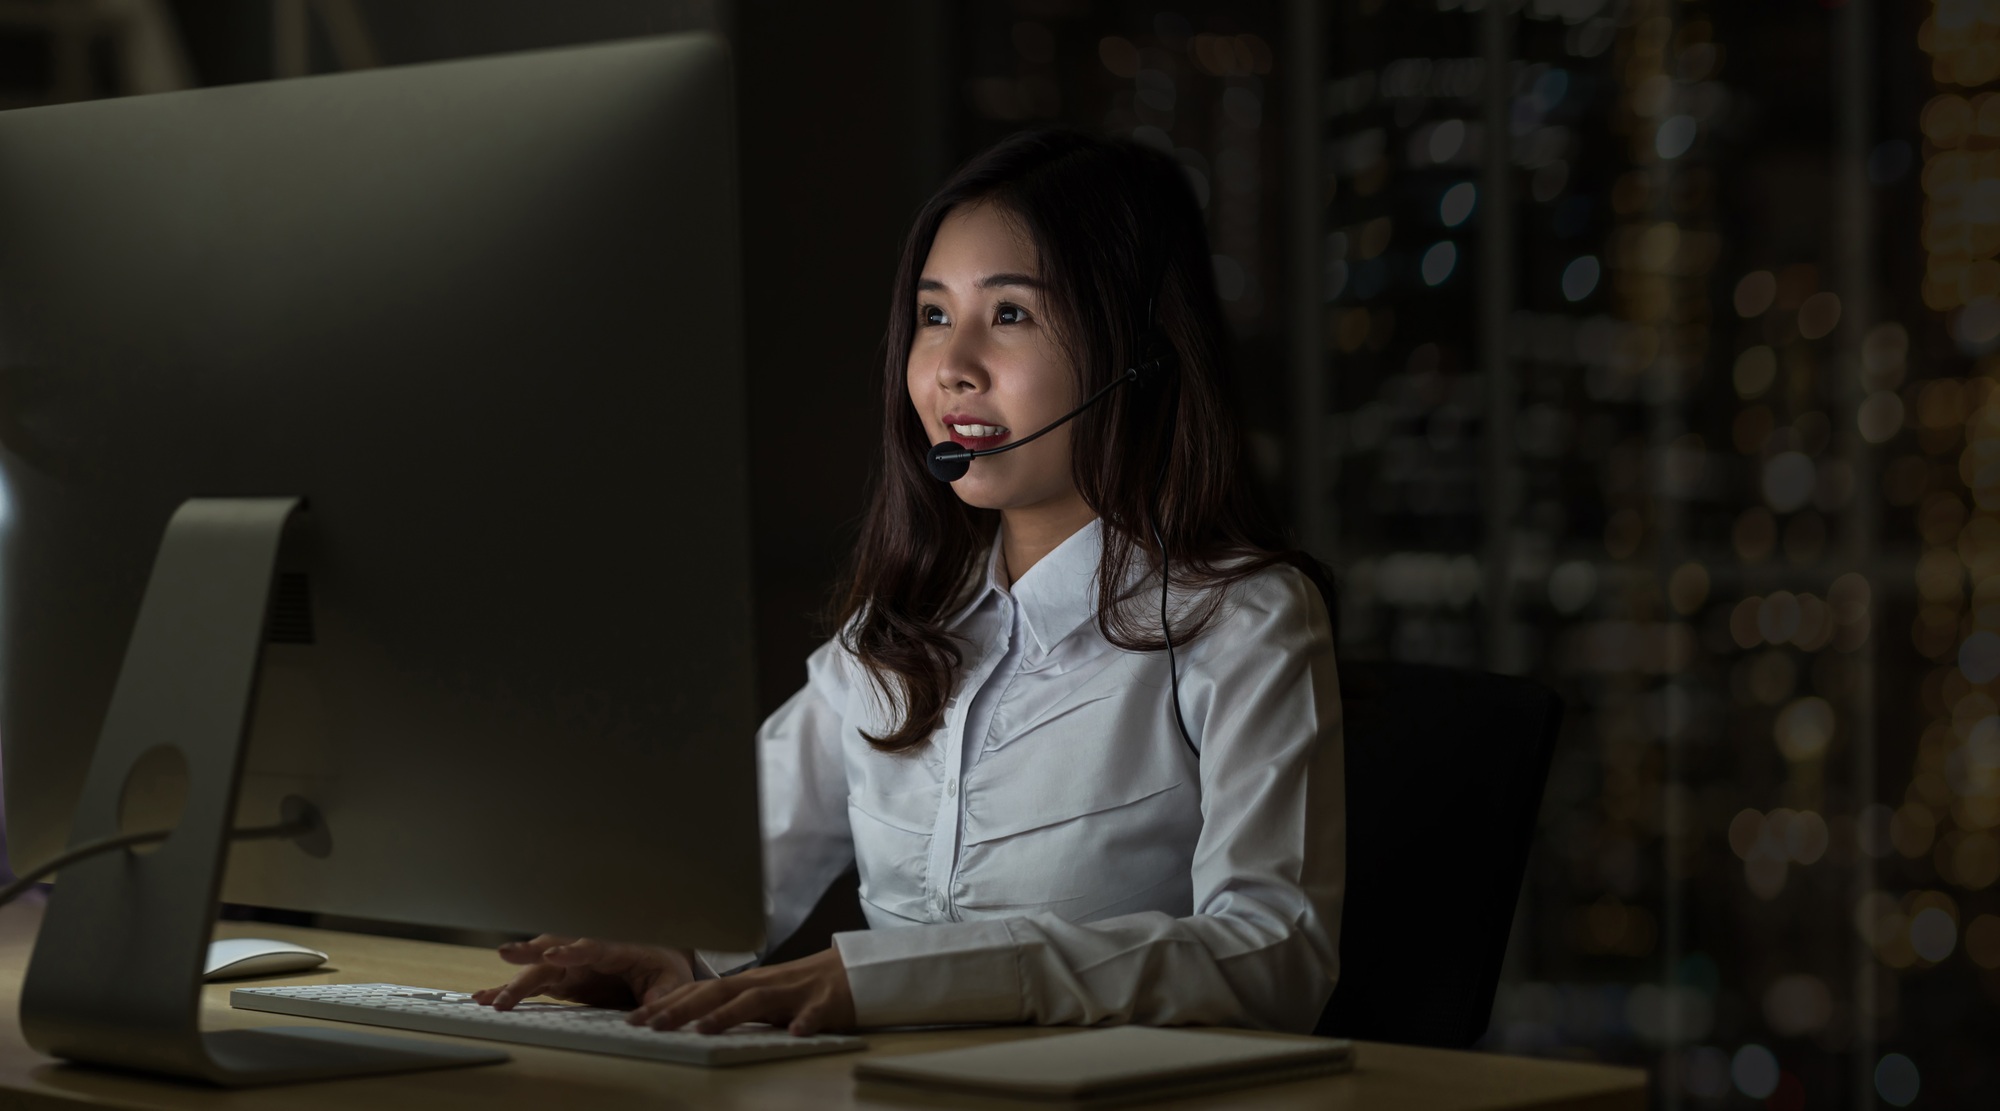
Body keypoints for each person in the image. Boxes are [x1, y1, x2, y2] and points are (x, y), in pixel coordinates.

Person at [472, 129, 1345, 1037]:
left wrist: (905, 978)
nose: (951, 367)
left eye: (1010, 314)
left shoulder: (1243, 619)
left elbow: (1275, 953)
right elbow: (736, 875)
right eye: (933, 316)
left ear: (1140, 355)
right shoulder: (898, 627)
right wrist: (664, 943)